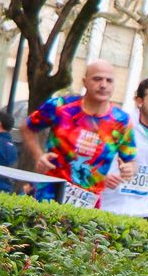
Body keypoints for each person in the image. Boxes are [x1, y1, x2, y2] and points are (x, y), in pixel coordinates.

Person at [23, 59, 135, 207]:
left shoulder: (122, 121)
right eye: (97, 79)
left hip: (88, 204)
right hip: (49, 196)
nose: (103, 85)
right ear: (85, 82)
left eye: (109, 81)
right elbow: (27, 127)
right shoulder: (61, 106)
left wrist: (129, 169)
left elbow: (131, 161)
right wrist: (39, 156)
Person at [101, 77, 148, 217]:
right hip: (110, 206)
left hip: (140, 211)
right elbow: (98, 158)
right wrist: (104, 176)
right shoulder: (121, 125)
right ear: (139, 101)